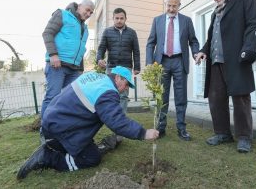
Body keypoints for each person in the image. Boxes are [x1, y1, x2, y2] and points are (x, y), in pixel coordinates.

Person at [17, 66, 159, 180]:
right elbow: (116, 121)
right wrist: (143, 133)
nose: (126, 89)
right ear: (117, 78)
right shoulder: (108, 91)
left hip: (53, 121)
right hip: (60, 129)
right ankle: (49, 157)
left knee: (88, 148)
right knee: (92, 158)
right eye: (126, 84)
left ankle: (55, 147)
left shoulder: (96, 77)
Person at [195, 0, 256, 153]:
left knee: (240, 98)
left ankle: (244, 137)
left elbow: (254, 25)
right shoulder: (215, 12)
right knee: (216, 98)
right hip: (215, 61)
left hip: (237, 59)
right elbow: (212, 38)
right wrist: (203, 50)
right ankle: (222, 133)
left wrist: (249, 48)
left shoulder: (245, 0)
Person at [146, 0, 200, 141]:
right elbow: (151, 43)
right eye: (169, 5)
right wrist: (150, 63)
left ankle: (181, 128)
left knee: (181, 96)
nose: (171, 9)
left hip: (179, 61)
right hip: (161, 62)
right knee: (161, 96)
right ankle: (161, 127)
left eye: (174, 6)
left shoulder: (187, 21)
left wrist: (196, 53)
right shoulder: (157, 20)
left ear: (179, 5)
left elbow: (193, 41)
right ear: (165, 4)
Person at [40, 0, 95, 118]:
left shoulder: (85, 28)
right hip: (57, 64)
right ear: (79, 6)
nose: (89, 14)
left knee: (69, 100)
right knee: (52, 97)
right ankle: (45, 131)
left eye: (91, 12)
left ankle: (61, 128)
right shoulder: (62, 14)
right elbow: (48, 33)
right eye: (87, 10)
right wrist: (53, 55)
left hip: (74, 69)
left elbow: (80, 49)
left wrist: (80, 69)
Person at [96, 8, 140, 114]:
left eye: (121, 18)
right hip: (111, 67)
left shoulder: (132, 33)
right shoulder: (107, 32)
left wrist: (137, 67)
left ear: (125, 19)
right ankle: (113, 118)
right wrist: (99, 59)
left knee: (124, 95)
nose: (119, 20)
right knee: (111, 93)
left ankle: (122, 119)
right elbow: (101, 48)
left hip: (126, 68)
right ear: (113, 18)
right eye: (117, 18)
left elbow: (136, 50)